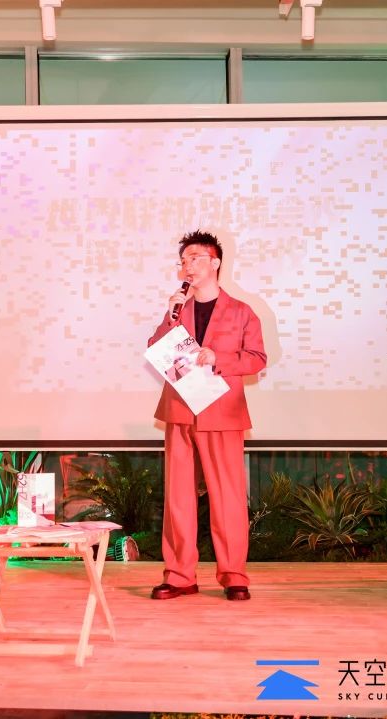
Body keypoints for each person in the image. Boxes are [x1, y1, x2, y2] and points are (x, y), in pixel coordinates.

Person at [148, 231, 267, 601]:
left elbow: (257, 359)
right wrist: (169, 317)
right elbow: (156, 348)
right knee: (178, 497)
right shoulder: (178, 309)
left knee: (227, 497)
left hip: (222, 411)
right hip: (180, 409)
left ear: (215, 262)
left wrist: (220, 359)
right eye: (183, 260)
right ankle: (179, 575)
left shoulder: (242, 311)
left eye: (196, 258)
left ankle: (234, 575)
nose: (188, 266)